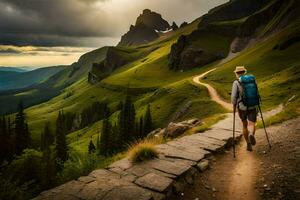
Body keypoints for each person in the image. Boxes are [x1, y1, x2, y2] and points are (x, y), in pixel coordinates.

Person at [231, 66, 257, 151]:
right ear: (244, 72)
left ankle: (248, 144)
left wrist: (234, 106)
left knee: (244, 124)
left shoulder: (236, 82)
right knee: (252, 124)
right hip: (252, 105)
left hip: (242, 107)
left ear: (237, 73)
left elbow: (234, 96)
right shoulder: (252, 79)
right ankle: (251, 134)